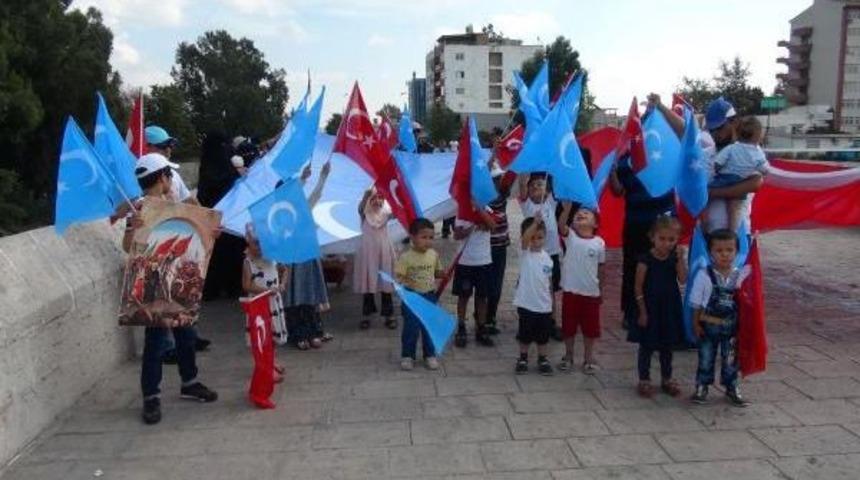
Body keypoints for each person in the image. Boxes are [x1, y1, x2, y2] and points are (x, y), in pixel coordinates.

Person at [123, 153, 218, 425]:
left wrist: (209, 231)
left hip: (178, 278)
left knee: (186, 335)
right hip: (153, 283)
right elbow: (127, 246)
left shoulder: (172, 205)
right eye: (168, 175)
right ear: (163, 177)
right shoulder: (140, 209)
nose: (170, 179)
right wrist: (133, 230)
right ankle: (150, 397)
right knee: (155, 343)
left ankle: (190, 381)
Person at [689, 228, 750, 407]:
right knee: (706, 357)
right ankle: (702, 386)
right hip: (709, 326)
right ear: (710, 252)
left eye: (729, 250)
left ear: (736, 252)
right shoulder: (704, 275)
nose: (725, 255)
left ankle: (732, 387)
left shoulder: (740, 276)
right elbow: (696, 302)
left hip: (731, 327)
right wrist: (695, 323)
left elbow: (747, 302)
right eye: (719, 250)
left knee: (731, 359)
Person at [630, 216, 687, 398]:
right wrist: (642, 310)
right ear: (652, 237)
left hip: (669, 307)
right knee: (646, 345)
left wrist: (680, 259)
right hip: (650, 307)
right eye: (662, 239)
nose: (666, 243)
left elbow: (683, 279)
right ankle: (644, 378)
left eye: (671, 239)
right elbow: (638, 286)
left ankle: (666, 377)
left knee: (666, 345)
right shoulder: (645, 260)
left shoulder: (673, 258)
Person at [283, 162, 335, 350]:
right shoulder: (280, 215)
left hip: (307, 258)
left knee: (309, 295)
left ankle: (314, 331)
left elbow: (315, 195)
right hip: (292, 261)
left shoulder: (303, 209)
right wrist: (303, 179)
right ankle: (298, 334)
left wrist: (322, 176)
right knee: (294, 297)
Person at [701, 97, 765, 232]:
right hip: (709, 235)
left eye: (719, 128)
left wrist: (712, 192)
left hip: (738, 237)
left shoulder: (750, 151)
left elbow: (755, 183)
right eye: (711, 130)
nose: (714, 134)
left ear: (734, 122)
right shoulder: (705, 154)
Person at [557, 205, 605, 374]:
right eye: (578, 214)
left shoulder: (599, 243)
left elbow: (601, 268)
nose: (581, 214)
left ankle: (588, 357)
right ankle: (568, 355)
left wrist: (601, 289)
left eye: (587, 214)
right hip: (571, 291)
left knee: (590, 329)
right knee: (568, 327)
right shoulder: (570, 236)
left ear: (595, 224)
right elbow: (561, 224)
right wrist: (568, 209)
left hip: (591, 293)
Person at [395, 217, 445, 370]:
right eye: (424, 237)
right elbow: (398, 276)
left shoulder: (433, 255)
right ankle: (407, 356)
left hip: (429, 296)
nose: (428, 241)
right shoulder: (405, 257)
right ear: (412, 237)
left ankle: (429, 355)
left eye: (431, 237)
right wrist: (406, 282)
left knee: (428, 327)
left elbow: (437, 272)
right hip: (411, 297)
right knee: (411, 327)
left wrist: (443, 274)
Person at [518, 174, 563, 340]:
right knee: (529, 287)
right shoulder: (527, 205)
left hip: (551, 254)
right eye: (533, 186)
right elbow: (522, 183)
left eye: (540, 184)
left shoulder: (551, 201)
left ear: (548, 189)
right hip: (532, 255)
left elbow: (557, 182)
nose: (536, 187)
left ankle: (552, 322)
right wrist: (524, 172)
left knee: (550, 290)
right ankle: (526, 321)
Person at [241, 227, 287, 383]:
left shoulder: (272, 258)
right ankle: (264, 367)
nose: (259, 247)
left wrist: (282, 284)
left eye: (263, 243)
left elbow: (285, 269)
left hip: (273, 303)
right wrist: (267, 290)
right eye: (256, 243)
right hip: (258, 304)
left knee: (272, 335)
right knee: (262, 337)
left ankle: (271, 361)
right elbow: (246, 285)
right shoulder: (248, 262)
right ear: (249, 243)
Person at [513, 216, 555, 376]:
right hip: (526, 303)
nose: (536, 241)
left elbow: (549, 283)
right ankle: (523, 358)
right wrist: (535, 223)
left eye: (540, 237)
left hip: (543, 305)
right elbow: (524, 240)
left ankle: (542, 358)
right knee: (525, 334)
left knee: (543, 335)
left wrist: (551, 303)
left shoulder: (548, 259)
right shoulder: (525, 253)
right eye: (532, 237)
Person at [452, 206, 497, 348]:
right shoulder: (461, 211)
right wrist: (472, 226)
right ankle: (461, 327)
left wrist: (480, 212)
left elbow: (493, 226)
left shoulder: (488, 210)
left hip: (483, 261)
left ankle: (481, 327)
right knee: (463, 296)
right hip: (465, 261)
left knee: (482, 297)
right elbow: (457, 234)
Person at [354, 187, 397, 330]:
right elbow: (361, 206)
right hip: (368, 255)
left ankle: (389, 315)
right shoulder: (364, 213)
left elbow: (398, 211)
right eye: (374, 198)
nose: (377, 201)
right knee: (368, 284)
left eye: (381, 197)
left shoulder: (386, 213)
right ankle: (366, 315)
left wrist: (393, 192)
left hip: (384, 252)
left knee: (386, 284)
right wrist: (367, 194)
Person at [484, 162, 511, 335]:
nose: (497, 181)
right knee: (486, 285)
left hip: (501, 246)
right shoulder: (483, 198)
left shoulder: (503, 195)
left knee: (497, 285)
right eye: (494, 178)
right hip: (486, 248)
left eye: (498, 178)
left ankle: (491, 317)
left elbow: (513, 176)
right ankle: (483, 318)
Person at [144, 126, 199, 206]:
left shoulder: (173, 174)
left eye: (170, 145)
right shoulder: (135, 176)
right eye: (162, 146)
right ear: (145, 147)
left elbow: (188, 200)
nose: (168, 150)